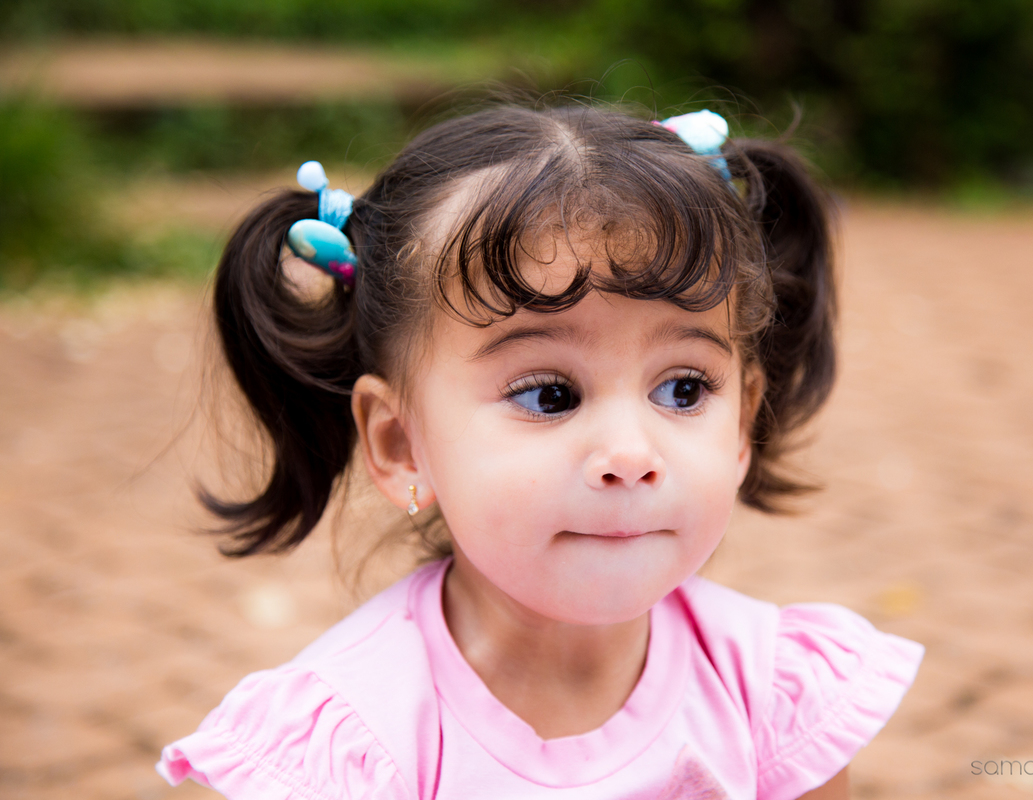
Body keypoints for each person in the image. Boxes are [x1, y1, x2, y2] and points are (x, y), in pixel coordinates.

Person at [156, 103, 923, 799]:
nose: (629, 453)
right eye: (549, 394)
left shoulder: (768, 694)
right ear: (399, 443)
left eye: (684, 390)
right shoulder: (352, 748)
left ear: (744, 423)